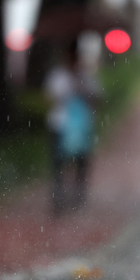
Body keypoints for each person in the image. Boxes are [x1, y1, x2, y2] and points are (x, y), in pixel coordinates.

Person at [44, 39, 100, 217]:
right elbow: (52, 95)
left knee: (82, 161)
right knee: (58, 163)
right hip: (60, 125)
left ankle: (78, 195)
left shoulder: (85, 76)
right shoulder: (59, 75)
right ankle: (58, 197)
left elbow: (97, 96)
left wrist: (82, 87)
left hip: (81, 126)